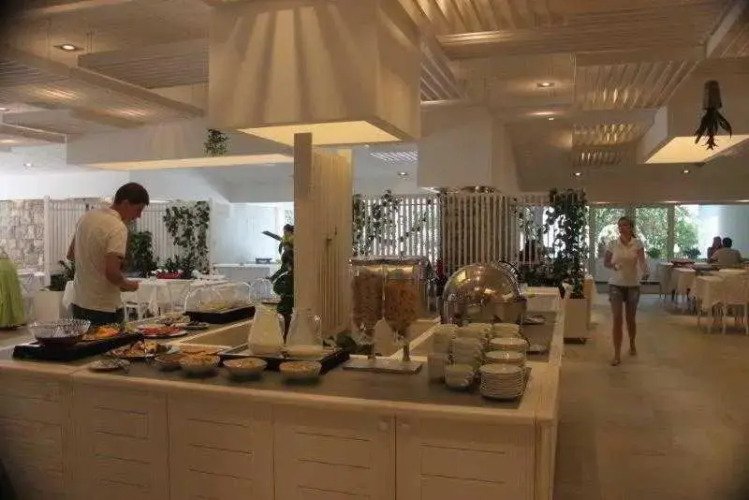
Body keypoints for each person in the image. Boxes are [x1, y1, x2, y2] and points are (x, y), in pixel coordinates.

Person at [67, 183, 149, 326]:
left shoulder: (86, 217)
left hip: (79, 302)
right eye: (138, 210)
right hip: (103, 306)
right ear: (126, 203)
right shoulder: (117, 227)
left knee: (84, 341)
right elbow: (112, 273)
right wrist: (130, 285)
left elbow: (71, 254)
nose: (138, 216)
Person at [604, 216, 648, 366]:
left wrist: (645, 271)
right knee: (617, 318)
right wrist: (613, 265)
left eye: (624, 225)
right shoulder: (612, 243)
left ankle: (632, 342)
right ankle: (617, 354)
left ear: (631, 227)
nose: (621, 228)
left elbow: (642, 261)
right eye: (619, 225)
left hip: (633, 285)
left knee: (630, 318)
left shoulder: (638, 243)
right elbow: (606, 262)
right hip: (615, 284)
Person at [272, 250, 294, 339]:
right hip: (284, 310)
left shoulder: (299, 277)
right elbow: (276, 287)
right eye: (288, 264)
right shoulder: (284, 277)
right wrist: (283, 293)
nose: (289, 266)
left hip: (292, 310)